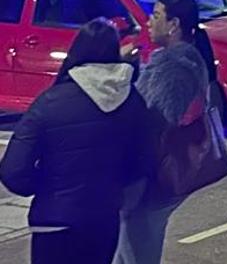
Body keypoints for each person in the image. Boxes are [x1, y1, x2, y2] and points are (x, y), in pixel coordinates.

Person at [1, 19, 151, 264]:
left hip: (54, 221)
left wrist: (46, 184)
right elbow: (143, 160)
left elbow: (13, 171)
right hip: (104, 219)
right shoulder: (132, 101)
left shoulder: (50, 101)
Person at [116, 0, 220, 264]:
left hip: (152, 176)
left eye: (157, 16)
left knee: (136, 251)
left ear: (174, 25)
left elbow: (154, 121)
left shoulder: (176, 66)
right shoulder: (176, 60)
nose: (149, 22)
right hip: (153, 175)